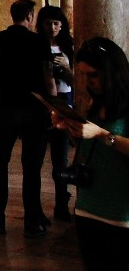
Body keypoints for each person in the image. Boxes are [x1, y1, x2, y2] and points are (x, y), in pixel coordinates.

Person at [52, 37, 129, 269]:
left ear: (111, 71)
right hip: (87, 207)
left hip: (120, 213)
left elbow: (104, 139)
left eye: (93, 74)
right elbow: (90, 150)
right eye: (83, 74)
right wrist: (72, 130)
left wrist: (101, 135)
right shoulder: (98, 100)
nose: (88, 81)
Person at [0, 0, 55, 237]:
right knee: (32, 167)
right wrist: (53, 107)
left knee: (0, 164)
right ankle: (33, 220)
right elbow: (48, 79)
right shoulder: (39, 41)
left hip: (8, 108)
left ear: (12, 15)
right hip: (35, 109)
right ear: (31, 16)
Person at [36, 5, 75, 221]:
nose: (53, 28)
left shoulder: (68, 46)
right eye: (49, 23)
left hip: (64, 100)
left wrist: (67, 67)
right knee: (37, 157)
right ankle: (36, 208)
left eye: (56, 23)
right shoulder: (38, 46)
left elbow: (75, 82)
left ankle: (62, 204)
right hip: (44, 102)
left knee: (60, 157)